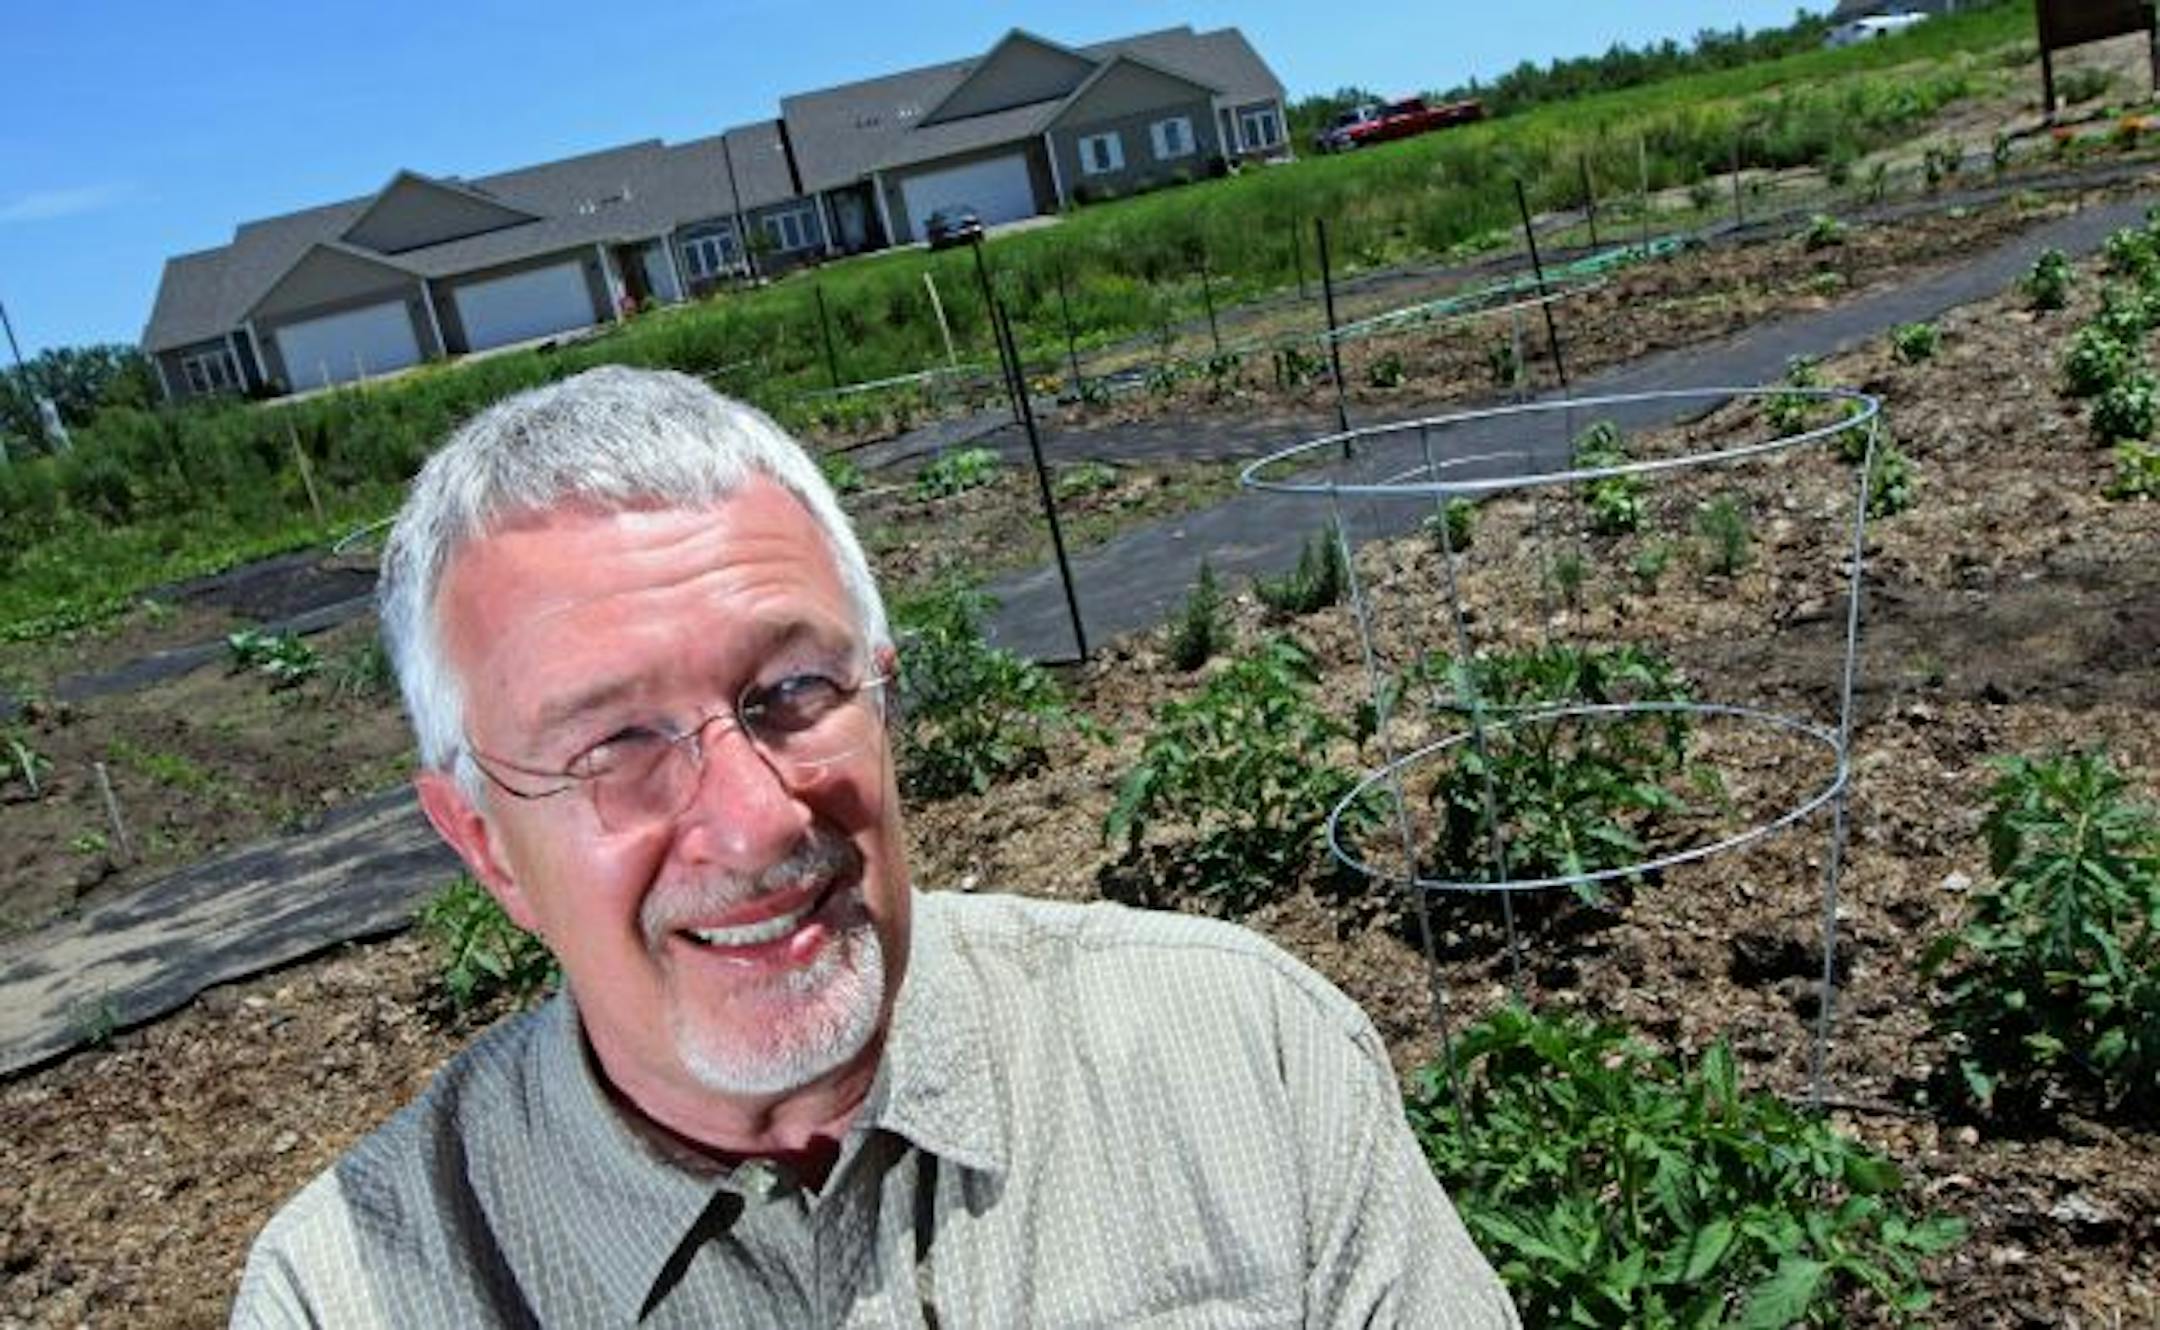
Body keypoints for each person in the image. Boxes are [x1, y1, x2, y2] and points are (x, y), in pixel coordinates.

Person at [232, 366, 1518, 1327]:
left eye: (792, 689)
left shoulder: (1241, 1058)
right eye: (613, 740)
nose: (754, 815)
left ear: (884, 697)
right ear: (486, 847)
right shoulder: (355, 1290)